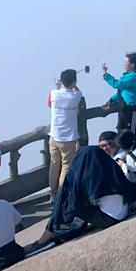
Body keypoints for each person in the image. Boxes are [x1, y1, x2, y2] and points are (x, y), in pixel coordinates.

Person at [25, 145, 134, 254]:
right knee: (75, 195)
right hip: (123, 212)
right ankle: (54, 230)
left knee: (69, 195)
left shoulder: (90, 176)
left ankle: (46, 236)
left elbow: (75, 202)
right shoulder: (108, 167)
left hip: (109, 219)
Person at [48, 69, 83, 200]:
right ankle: (61, 194)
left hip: (53, 136)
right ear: (74, 81)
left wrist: (57, 88)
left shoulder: (54, 94)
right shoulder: (76, 95)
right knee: (66, 166)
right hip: (68, 138)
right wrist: (73, 85)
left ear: (61, 81)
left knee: (54, 164)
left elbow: (49, 105)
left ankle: (52, 193)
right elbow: (77, 91)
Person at [102, 52, 136, 134]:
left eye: (125, 62)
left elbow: (117, 84)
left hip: (132, 110)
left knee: (130, 135)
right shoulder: (128, 76)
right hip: (124, 109)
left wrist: (105, 74)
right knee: (121, 135)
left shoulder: (133, 77)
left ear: (132, 64)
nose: (123, 64)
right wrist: (110, 100)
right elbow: (123, 92)